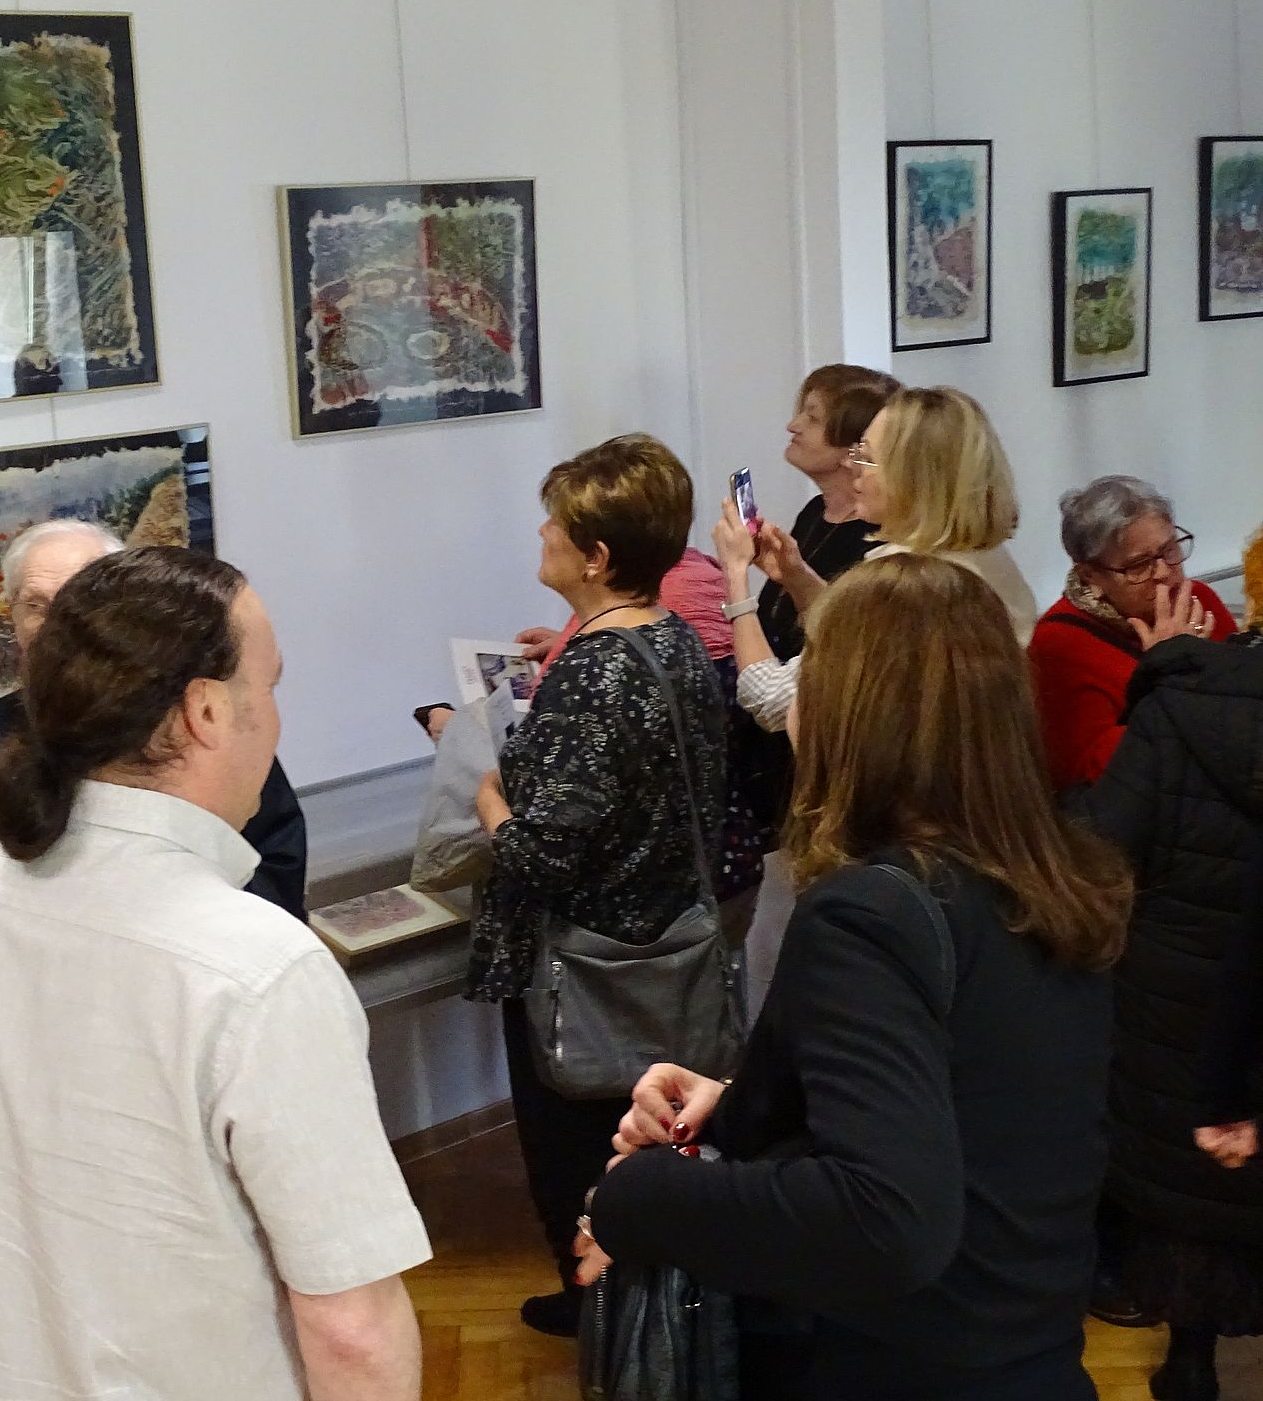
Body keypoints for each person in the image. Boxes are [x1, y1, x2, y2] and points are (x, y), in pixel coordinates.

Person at [581, 554, 1133, 1400]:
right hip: (1031, 1349)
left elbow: (888, 1219)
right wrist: (740, 1103)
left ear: (859, 712)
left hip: (894, 1366)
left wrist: (641, 1197)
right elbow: (983, 1107)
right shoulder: (1051, 881)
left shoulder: (869, 912)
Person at [0, 547, 429, 1401]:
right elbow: (352, 1330)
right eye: (270, 687)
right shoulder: (260, 968)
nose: (276, 719)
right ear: (206, 711)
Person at [464, 435, 727, 1337]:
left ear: (598, 557)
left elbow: (541, 856)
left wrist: (489, 797)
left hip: (584, 964)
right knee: (651, 1142)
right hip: (668, 937)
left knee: (579, 1151)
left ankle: (606, 1322)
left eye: (557, 524)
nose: (541, 533)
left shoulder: (591, 673)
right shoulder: (676, 640)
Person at [1081, 526, 1263, 1401]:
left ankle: (1190, 1363)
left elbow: (1102, 857)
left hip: (1178, 1012)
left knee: (1190, 1215)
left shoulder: (1180, 708)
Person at [0, 518, 309, 913]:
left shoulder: (200, 722)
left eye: (78, 604)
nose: (55, 624)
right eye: (35, 605)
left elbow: (278, 854)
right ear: (12, 617)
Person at [725, 384, 1037, 733]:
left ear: (913, 477)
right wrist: (797, 576)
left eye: (866, 457)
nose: (851, 464)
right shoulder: (984, 556)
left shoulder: (904, 583)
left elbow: (772, 701)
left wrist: (735, 577)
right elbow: (858, 634)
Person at [1029, 475, 1236, 795]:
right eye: (1139, 566)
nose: (1164, 573)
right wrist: (1169, 669)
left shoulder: (1200, 599)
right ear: (1091, 575)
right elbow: (1085, 773)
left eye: (1169, 550)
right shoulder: (1058, 644)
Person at [753, 365, 900, 661]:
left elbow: (848, 640)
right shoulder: (815, 511)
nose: (793, 426)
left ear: (853, 449)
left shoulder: (882, 536)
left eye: (813, 418)